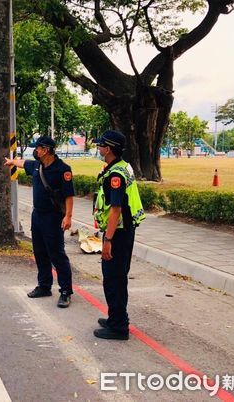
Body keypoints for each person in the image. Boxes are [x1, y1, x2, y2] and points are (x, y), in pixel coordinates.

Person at [4, 136, 74, 308]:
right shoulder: (37, 166)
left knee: (56, 253)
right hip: (37, 216)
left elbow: (69, 195)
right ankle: (44, 286)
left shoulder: (62, 169)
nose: (35, 151)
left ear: (47, 150)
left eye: (38, 148)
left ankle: (66, 291)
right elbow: (23, 163)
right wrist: (12, 161)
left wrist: (68, 216)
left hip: (53, 217)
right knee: (40, 252)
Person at [92, 130, 145, 340]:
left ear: (109, 148)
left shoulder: (116, 175)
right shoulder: (122, 166)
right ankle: (116, 317)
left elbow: (116, 209)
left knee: (113, 279)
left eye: (100, 145)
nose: (98, 148)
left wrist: (108, 240)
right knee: (118, 277)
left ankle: (119, 327)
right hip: (124, 230)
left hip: (119, 233)